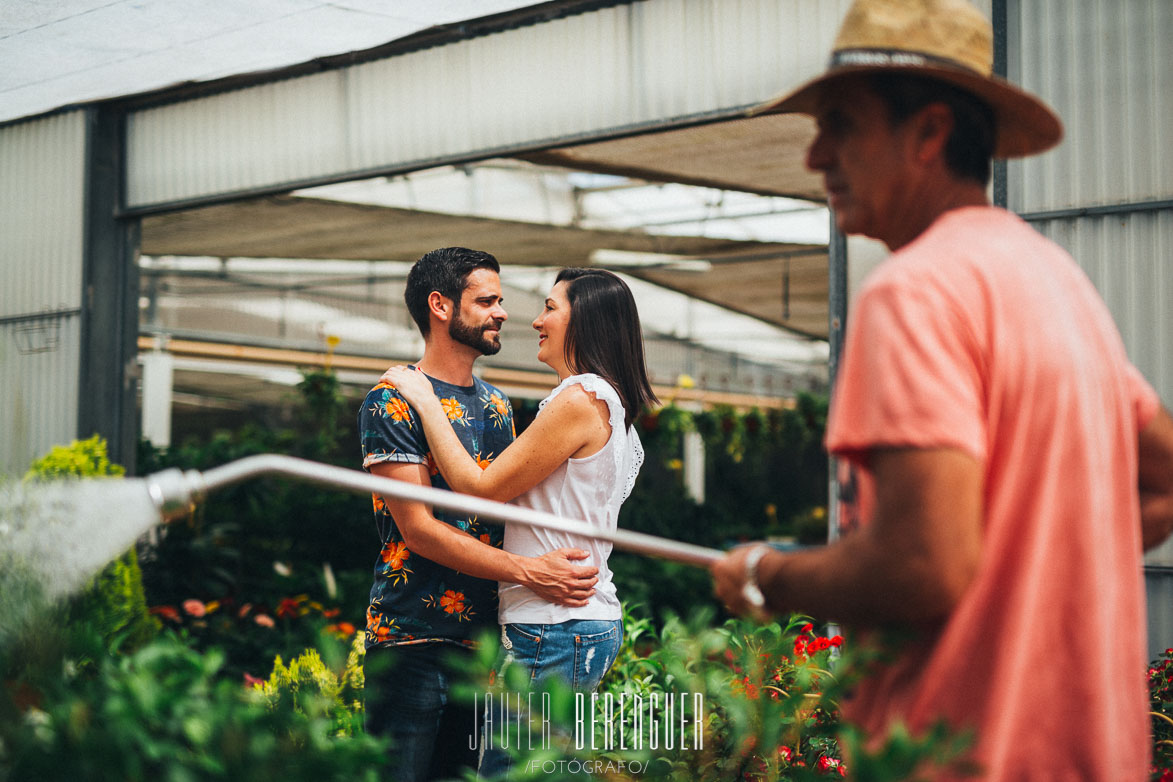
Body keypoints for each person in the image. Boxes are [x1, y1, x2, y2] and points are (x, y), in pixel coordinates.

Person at [710, 0, 1173, 779]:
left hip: (961, 757)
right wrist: (1036, 564)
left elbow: (923, 564)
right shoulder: (1055, 282)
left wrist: (766, 574)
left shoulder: (913, 294)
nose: (814, 156)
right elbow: (1164, 481)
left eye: (841, 125)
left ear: (927, 133)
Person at [384, 267, 657, 776]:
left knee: (509, 771)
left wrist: (424, 399)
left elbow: (482, 489)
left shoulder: (580, 398)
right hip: (570, 621)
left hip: (555, 623)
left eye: (551, 308)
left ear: (587, 321)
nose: (534, 320)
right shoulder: (605, 402)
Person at [358, 247, 601, 782]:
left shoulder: (495, 404)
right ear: (440, 306)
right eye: (487, 300)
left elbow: (503, 508)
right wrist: (530, 571)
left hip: (487, 644)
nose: (503, 313)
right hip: (411, 640)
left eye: (501, 300)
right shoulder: (391, 401)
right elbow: (419, 531)